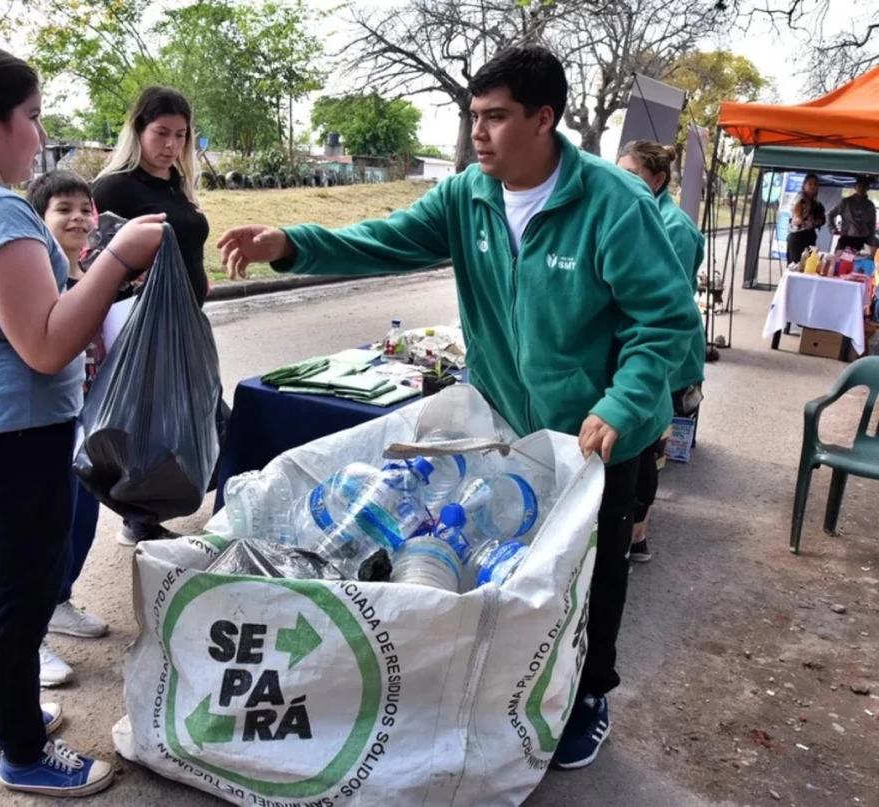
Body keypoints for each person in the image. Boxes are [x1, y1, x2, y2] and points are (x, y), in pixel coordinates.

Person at [217, 45, 700, 770]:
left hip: (601, 437)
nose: (478, 132)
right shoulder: (466, 195)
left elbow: (665, 323)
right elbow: (382, 240)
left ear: (545, 118)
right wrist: (292, 243)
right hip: (505, 428)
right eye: (474, 116)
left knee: (592, 571)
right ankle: (518, 681)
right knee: (510, 563)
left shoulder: (614, 204)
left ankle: (590, 691)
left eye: (496, 117)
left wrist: (624, 404)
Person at [0, 45, 165, 797]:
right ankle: (20, 751)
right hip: (8, 440)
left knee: (10, 586)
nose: (40, 137)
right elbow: (46, 345)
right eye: (34, 118)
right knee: (18, 603)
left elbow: (32, 321)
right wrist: (115, 258)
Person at [91, 86, 211, 546]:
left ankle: (148, 511)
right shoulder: (114, 187)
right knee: (148, 425)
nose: (171, 145)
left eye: (181, 135)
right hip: (142, 326)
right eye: (161, 133)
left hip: (184, 322)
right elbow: (92, 259)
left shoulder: (173, 185)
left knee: (184, 418)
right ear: (137, 130)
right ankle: (137, 518)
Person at [24, 170, 113, 689]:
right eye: (64, 209)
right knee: (43, 530)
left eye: (86, 208)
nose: (78, 217)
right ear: (40, 219)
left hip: (91, 420)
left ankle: (58, 602)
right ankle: (29, 639)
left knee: (81, 518)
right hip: (48, 421)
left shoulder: (95, 274)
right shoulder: (40, 278)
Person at [616, 140, 706, 563]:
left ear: (658, 179)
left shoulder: (674, 230)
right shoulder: (640, 215)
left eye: (631, 175)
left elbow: (669, 304)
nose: (621, 182)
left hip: (664, 353)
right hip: (636, 346)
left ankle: (638, 536)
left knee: (647, 443)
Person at [828, 175, 877, 253]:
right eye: (860, 186)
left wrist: (869, 244)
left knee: (859, 264)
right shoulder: (846, 202)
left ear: (868, 188)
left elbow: (872, 227)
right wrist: (833, 230)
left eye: (864, 186)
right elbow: (830, 215)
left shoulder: (870, 205)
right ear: (855, 187)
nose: (862, 188)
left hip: (863, 241)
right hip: (847, 239)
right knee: (840, 263)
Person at [787, 173, 825, 262]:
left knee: (808, 265)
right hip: (798, 236)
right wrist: (800, 220)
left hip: (809, 235)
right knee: (796, 265)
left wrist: (816, 221)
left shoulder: (816, 203)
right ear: (804, 185)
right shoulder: (800, 198)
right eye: (810, 184)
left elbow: (822, 220)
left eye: (815, 184)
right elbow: (796, 219)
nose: (813, 186)